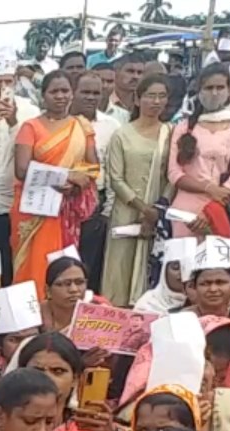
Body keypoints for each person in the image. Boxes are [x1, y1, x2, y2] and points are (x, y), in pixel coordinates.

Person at [12, 70, 99, 300]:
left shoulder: (82, 127)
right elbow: (21, 170)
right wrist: (66, 176)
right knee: (31, 264)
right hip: (33, 210)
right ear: (43, 96)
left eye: (65, 91)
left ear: (72, 94)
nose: (60, 96)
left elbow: (93, 167)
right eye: (54, 91)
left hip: (65, 209)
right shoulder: (30, 127)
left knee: (62, 264)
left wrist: (77, 181)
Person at [101, 74, 172, 305]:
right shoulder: (122, 134)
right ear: (138, 99)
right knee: (119, 271)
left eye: (162, 96)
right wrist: (142, 208)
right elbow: (116, 178)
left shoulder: (170, 134)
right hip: (126, 211)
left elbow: (174, 175)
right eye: (151, 96)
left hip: (159, 212)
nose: (156, 101)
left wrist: (157, 208)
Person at [164, 64, 230, 236]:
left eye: (220, 87)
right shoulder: (184, 127)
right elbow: (174, 173)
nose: (214, 93)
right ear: (199, 91)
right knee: (183, 260)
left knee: (217, 260)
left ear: (229, 91)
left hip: (221, 205)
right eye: (208, 88)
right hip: (185, 209)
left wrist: (219, 198)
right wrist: (209, 188)